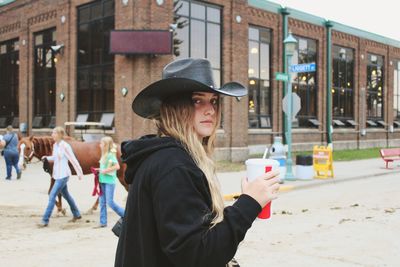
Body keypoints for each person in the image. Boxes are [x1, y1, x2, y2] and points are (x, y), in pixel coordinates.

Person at [115, 58, 280, 267]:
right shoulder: (173, 165)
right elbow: (197, 255)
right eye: (197, 100)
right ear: (175, 107)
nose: (210, 109)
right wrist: (249, 203)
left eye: (213, 101)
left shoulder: (165, 156)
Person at [38, 126, 84, 227]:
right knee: (66, 195)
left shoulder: (65, 146)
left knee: (52, 195)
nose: (52, 135)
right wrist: (47, 158)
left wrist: (79, 173)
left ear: (59, 135)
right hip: (57, 175)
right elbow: (55, 157)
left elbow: (73, 159)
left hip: (63, 176)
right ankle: (77, 214)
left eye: (54, 133)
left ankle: (45, 220)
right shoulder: (55, 145)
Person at [96, 136, 125, 228]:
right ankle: (103, 222)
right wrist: (99, 170)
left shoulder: (110, 155)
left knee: (110, 202)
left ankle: (125, 215)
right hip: (102, 180)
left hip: (109, 181)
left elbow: (117, 167)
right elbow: (104, 167)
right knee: (102, 202)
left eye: (101, 143)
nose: (100, 145)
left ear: (106, 145)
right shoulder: (104, 155)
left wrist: (105, 171)